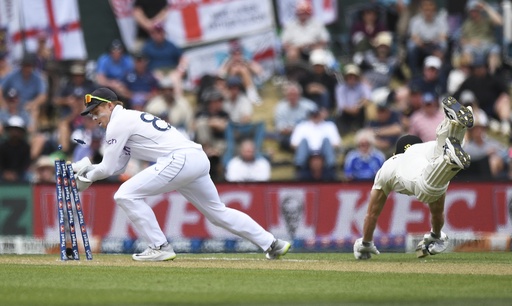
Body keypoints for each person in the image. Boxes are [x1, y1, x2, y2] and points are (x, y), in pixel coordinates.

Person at [76, 87, 291, 261]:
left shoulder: (118, 123)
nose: (94, 118)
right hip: (195, 158)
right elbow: (117, 167)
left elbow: (106, 168)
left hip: (179, 159)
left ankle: (159, 246)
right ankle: (272, 243)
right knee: (217, 213)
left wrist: (84, 177)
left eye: (96, 111)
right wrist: (86, 171)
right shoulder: (127, 119)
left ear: (110, 105)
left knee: (125, 194)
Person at [353, 96, 474, 259]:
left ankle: (450, 156)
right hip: (430, 152)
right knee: (442, 150)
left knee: (427, 190)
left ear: (396, 153)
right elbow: (437, 213)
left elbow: (372, 214)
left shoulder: (391, 164)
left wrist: (366, 243)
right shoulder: (425, 148)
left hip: (414, 169)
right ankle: (453, 125)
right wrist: (435, 235)